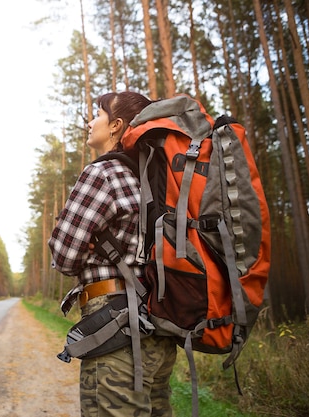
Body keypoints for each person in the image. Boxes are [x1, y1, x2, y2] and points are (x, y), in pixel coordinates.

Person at [48, 91, 176, 417]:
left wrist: (88, 248)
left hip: (115, 331)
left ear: (117, 126)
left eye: (98, 115)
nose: (89, 123)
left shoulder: (103, 174)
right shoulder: (156, 183)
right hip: (159, 329)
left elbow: (63, 256)